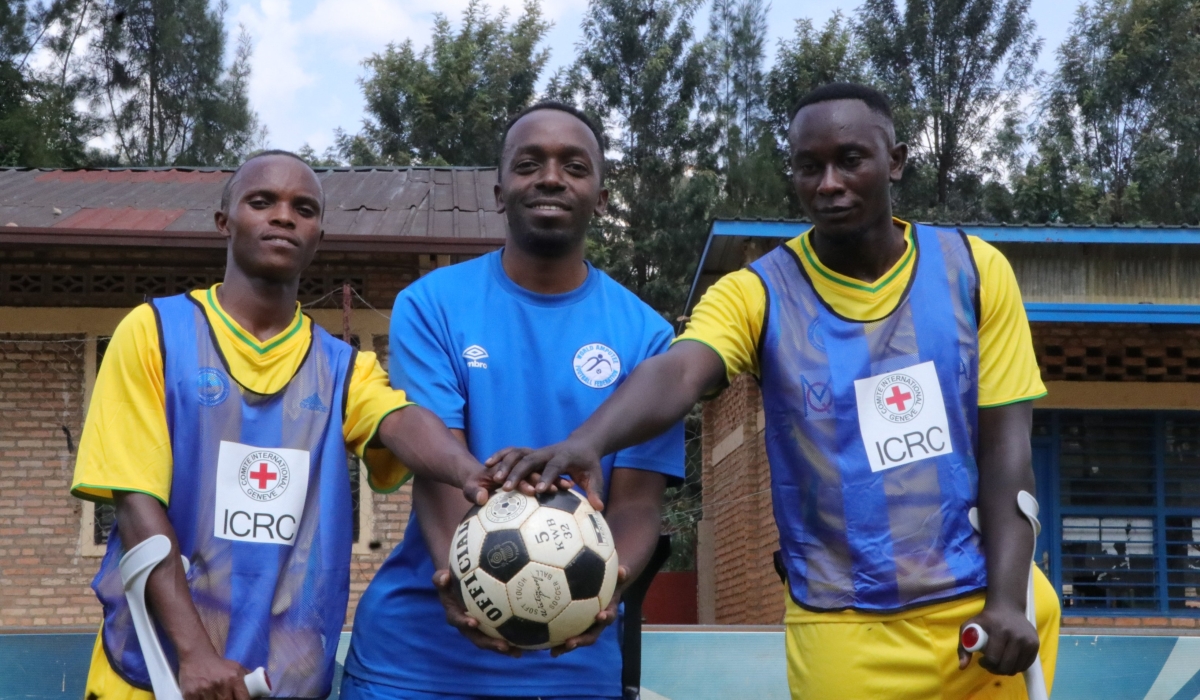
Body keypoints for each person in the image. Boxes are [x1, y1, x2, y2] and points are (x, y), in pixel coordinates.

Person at [495, 84, 1061, 699]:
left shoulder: (974, 271)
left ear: (894, 160)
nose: (828, 183)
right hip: (844, 624)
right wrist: (588, 440)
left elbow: (1008, 453)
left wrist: (1009, 601)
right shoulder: (756, 293)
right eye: (808, 166)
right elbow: (681, 370)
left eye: (851, 160)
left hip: (989, 617)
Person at [72, 151, 495, 700]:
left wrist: (470, 471)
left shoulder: (342, 368)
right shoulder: (154, 332)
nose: (284, 216)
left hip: (282, 681)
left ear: (319, 234)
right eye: (261, 201)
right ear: (224, 222)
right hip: (156, 672)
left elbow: (398, 421)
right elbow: (135, 503)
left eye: (304, 207)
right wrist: (195, 653)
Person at [340, 102, 685, 700]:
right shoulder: (433, 304)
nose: (550, 177)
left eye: (574, 166)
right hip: (419, 658)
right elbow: (440, 470)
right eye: (529, 164)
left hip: (571, 661)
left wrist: (609, 589)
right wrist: (466, 583)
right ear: (500, 192)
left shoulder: (647, 335)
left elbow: (636, 507)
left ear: (601, 196)